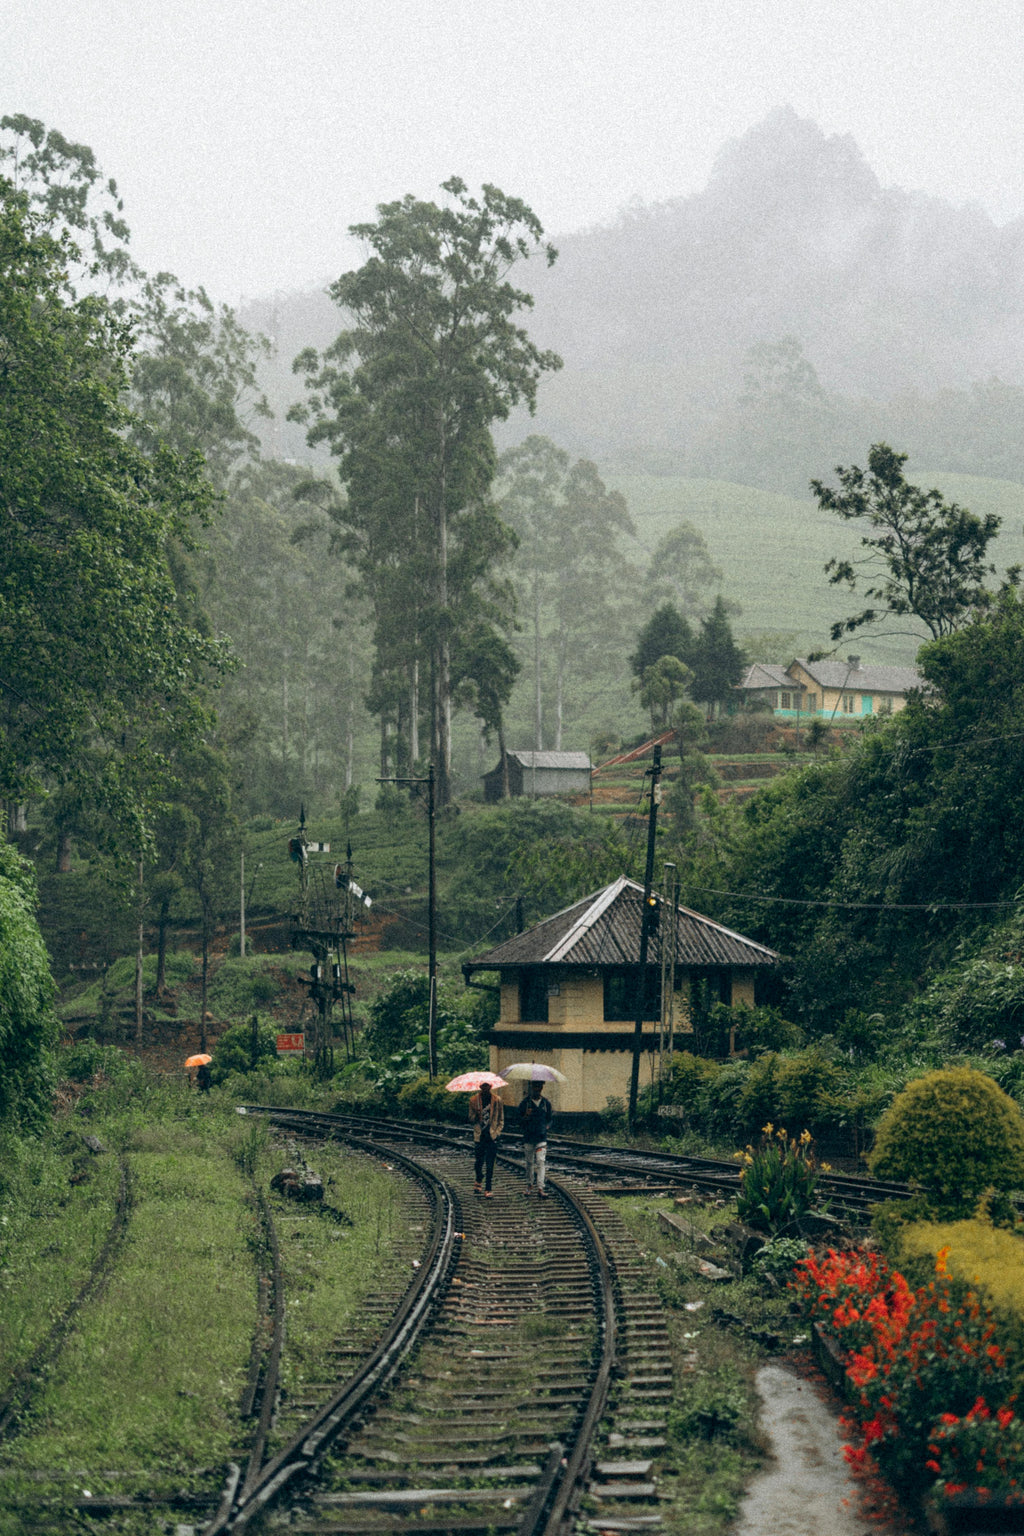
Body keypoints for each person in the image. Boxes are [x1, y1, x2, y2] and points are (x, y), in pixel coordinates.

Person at [468, 1081, 504, 1197]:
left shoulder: (497, 1100)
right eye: (483, 1086)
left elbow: (501, 1119)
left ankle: (488, 1188)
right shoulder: (474, 1100)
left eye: (487, 1086)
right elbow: (470, 1118)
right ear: (480, 1087)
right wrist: (476, 1116)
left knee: (490, 1163)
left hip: (491, 1135)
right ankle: (479, 1178)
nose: (485, 1088)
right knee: (479, 1161)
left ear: (491, 1086)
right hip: (479, 1136)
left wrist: (497, 1133)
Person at [520, 1080, 553, 1196]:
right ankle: (529, 1185)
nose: (537, 1089)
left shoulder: (545, 1103)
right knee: (529, 1163)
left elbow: (550, 1118)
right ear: (531, 1087)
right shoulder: (525, 1103)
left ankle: (540, 1187)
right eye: (535, 1086)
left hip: (541, 1137)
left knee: (540, 1162)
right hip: (528, 1138)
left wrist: (547, 1126)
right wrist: (526, 1116)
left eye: (539, 1086)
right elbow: (519, 1121)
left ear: (542, 1088)